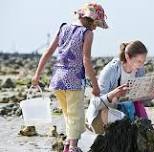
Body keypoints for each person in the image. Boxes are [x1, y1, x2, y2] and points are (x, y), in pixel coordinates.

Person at [31, 2, 108, 152]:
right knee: (76, 115)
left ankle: (67, 144)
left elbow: (47, 53)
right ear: (90, 20)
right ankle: (73, 147)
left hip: (57, 80)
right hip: (73, 80)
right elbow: (86, 60)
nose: (95, 28)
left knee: (68, 115)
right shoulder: (87, 34)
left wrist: (37, 75)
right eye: (96, 24)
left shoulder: (63, 28)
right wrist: (96, 86)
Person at [86, 40, 154, 134]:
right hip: (103, 114)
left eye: (143, 62)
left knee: (138, 118)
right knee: (121, 120)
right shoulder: (111, 70)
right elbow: (96, 103)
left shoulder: (139, 71)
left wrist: (152, 95)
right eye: (138, 61)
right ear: (127, 57)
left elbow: (138, 99)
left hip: (123, 110)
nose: (141, 65)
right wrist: (114, 93)